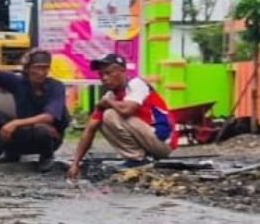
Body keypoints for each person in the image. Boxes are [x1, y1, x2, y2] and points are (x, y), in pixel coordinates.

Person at [66, 52, 179, 180]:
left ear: (123, 71)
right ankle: (140, 159)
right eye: (101, 74)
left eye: (109, 73)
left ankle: (138, 160)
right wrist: (76, 162)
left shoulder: (137, 84)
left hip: (163, 141)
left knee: (109, 114)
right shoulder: (110, 96)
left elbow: (127, 110)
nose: (104, 78)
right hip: (148, 140)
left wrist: (108, 103)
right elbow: (90, 129)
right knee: (101, 119)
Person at [0, 31, 69, 173]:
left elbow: (48, 117)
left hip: (48, 136)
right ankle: (12, 152)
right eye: (37, 67)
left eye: (45, 68)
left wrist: (15, 123)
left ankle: (46, 156)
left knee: (42, 129)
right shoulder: (19, 82)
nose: (42, 72)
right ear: (28, 69)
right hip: (25, 133)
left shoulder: (56, 86)